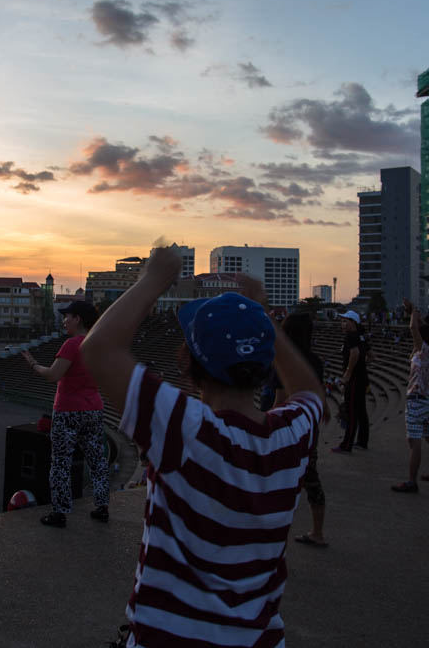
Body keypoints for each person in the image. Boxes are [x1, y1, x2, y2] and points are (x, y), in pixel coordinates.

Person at [81, 246, 324, 647]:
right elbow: (310, 392)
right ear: (265, 368)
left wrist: (154, 278)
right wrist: (263, 319)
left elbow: (98, 350)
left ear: (191, 367)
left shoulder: (187, 431)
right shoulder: (291, 436)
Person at [22, 300, 111, 527]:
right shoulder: (99, 345)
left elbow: (53, 375)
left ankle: (60, 512)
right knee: (97, 461)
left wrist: (33, 364)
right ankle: (102, 507)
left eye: (67, 316)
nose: (64, 321)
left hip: (69, 410)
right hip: (93, 409)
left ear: (78, 319)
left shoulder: (72, 345)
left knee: (61, 462)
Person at [276, 312, 330, 548]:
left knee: (277, 481)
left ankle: (273, 535)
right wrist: (324, 409)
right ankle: (318, 531)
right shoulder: (315, 360)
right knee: (311, 478)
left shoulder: (283, 362)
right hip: (308, 426)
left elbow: (280, 399)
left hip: (287, 426)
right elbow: (319, 390)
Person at [393, 299, 429, 493]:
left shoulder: (424, 352)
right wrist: (413, 312)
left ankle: (412, 481)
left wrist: (414, 312)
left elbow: (414, 328)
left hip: (416, 401)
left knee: (414, 442)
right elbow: (422, 329)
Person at [331, 310, 371, 453]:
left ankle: (346, 445)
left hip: (354, 379)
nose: (343, 324)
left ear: (353, 323)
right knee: (361, 410)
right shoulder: (361, 337)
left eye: (345, 321)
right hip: (362, 378)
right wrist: (362, 365)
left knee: (351, 411)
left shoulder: (351, 337)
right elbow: (371, 356)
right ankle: (362, 441)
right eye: (342, 321)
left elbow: (355, 353)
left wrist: (347, 374)